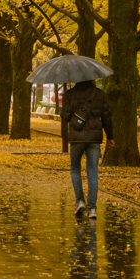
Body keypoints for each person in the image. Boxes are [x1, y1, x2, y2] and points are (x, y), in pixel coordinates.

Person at [60, 79, 114, 219]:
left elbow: (65, 117)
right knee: (92, 172)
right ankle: (92, 209)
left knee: (75, 168)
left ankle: (79, 201)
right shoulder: (99, 94)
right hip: (94, 139)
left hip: (76, 138)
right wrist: (110, 136)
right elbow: (106, 116)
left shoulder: (69, 94)